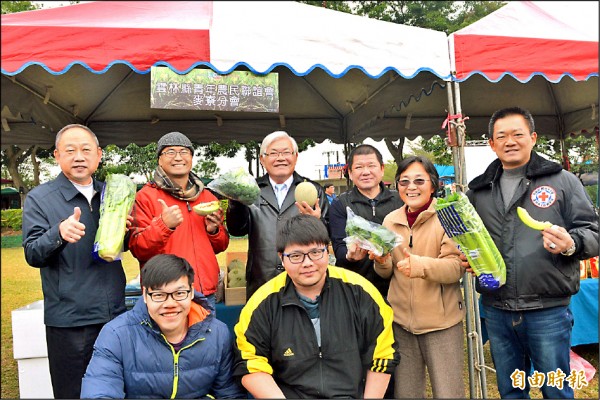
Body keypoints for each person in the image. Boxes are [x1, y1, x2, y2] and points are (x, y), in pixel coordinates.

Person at [464, 106, 599, 398]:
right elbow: (468, 240)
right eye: (501, 136)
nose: (509, 141)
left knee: (556, 390)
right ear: (491, 143)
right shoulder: (478, 191)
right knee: (511, 390)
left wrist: (571, 243)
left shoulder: (562, 181)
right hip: (497, 309)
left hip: (547, 310)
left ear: (533, 137)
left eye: (517, 134)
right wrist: (466, 256)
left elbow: (593, 232)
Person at [233, 214, 399, 398]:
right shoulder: (262, 303)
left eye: (315, 253)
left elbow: (382, 355)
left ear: (327, 251)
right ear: (281, 257)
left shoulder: (361, 292)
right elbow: (249, 362)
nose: (307, 263)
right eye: (296, 256)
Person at [22, 124, 128, 399]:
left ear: (99, 155)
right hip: (70, 321)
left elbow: (121, 247)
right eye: (70, 150)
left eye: (85, 150)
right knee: (72, 392)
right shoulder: (40, 199)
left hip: (114, 314)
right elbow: (32, 253)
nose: (78, 157)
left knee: (116, 387)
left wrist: (126, 229)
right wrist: (57, 233)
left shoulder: (112, 195)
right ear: (57, 156)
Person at [81, 254, 244, 398]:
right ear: (145, 295)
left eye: (179, 293)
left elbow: (229, 393)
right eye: (159, 295)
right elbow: (100, 389)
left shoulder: (217, 333)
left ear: (191, 292)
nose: (170, 304)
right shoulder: (116, 334)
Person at [373, 155, 466, 398]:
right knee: (407, 394)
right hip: (401, 323)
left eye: (419, 181)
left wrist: (420, 266)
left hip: (442, 323)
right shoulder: (390, 220)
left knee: (448, 393)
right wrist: (381, 260)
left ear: (433, 185)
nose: (411, 187)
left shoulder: (450, 216)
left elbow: (456, 267)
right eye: (404, 182)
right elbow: (386, 272)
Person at [129, 131, 228, 308]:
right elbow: (138, 248)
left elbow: (221, 246)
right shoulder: (145, 196)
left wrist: (214, 231)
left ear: (191, 158)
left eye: (184, 152)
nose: (178, 157)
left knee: (207, 336)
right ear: (160, 159)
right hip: (167, 293)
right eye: (170, 152)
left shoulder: (208, 197)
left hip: (205, 292)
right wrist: (164, 226)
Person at [226, 130, 329, 299]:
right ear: (262, 159)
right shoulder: (251, 190)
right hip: (261, 279)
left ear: (295, 156)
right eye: (273, 153)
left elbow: (327, 236)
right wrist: (235, 202)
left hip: (303, 280)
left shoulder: (312, 190)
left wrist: (317, 222)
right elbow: (237, 230)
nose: (280, 158)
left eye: (286, 152)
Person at [328, 144, 403, 297]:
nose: (366, 172)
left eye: (371, 166)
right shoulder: (340, 204)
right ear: (350, 172)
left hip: (396, 288)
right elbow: (339, 247)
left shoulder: (399, 200)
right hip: (355, 289)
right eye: (359, 167)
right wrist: (349, 256)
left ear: (382, 169)